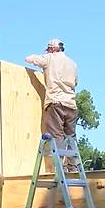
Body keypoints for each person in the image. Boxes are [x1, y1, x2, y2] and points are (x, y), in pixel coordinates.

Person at [25, 38, 79, 172]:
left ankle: (60, 169)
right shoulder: (73, 64)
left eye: (48, 49)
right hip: (71, 104)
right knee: (71, 137)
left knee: (57, 136)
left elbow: (29, 59)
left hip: (56, 103)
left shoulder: (49, 58)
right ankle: (73, 167)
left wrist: (42, 57)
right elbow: (75, 82)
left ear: (52, 49)